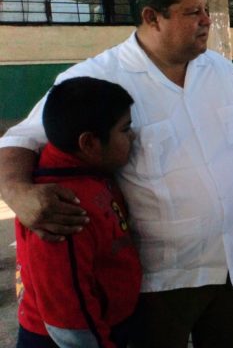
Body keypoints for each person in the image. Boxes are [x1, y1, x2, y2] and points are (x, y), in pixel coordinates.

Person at [0, 0, 233, 348]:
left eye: (206, 10)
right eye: (192, 12)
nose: (206, 21)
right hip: (163, 282)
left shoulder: (221, 70)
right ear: (152, 17)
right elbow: (20, 140)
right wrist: (18, 193)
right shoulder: (98, 79)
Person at [16, 77, 141, 348]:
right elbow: (67, 316)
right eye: (125, 129)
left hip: (106, 327)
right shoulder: (62, 209)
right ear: (89, 143)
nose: (132, 136)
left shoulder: (92, 175)